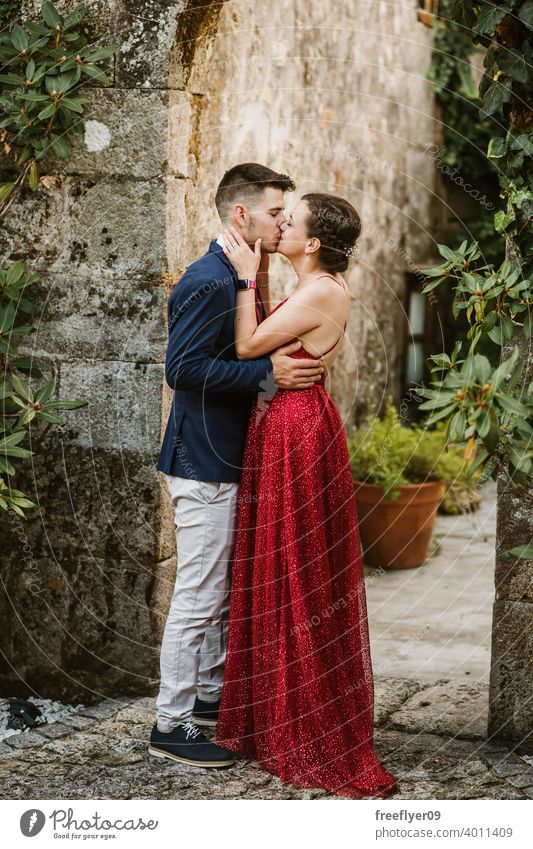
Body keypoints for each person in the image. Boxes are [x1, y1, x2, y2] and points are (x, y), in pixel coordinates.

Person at [215, 193, 399, 799]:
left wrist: (246, 278)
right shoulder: (316, 284)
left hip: (294, 429)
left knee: (292, 565)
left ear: (313, 242)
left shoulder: (320, 291)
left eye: (289, 221)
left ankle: (305, 718)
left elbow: (247, 347)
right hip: (291, 422)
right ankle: (278, 710)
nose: (280, 224)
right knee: (282, 562)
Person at [149, 164, 327, 768]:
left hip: (228, 459)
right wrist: (264, 376)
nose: (285, 220)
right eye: (277, 212)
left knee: (222, 593)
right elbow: (182, 371)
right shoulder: (210, 280)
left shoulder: (243, 275)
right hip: (203, 459)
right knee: (199, 594)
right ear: (241, 216)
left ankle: (207, 702)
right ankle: (171, 724)